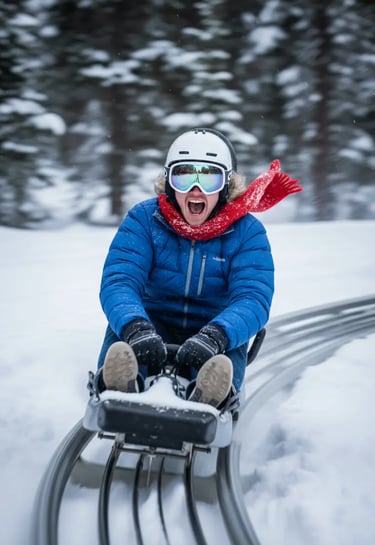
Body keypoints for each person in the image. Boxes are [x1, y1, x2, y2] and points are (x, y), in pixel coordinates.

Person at [95, 128, 302, 408]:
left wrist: (217, 335)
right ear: (169, 182)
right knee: (123, 339)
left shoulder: (247, 232)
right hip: (149, 321)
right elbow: (120, 280)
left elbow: (253, 298)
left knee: (224, 356)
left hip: (215, 329)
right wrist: (135, 325)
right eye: (184, 177)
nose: (196, 190)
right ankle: (121, 384)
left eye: (209, 178)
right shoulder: (144, 219)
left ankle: (210, 394)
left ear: (226, 186)